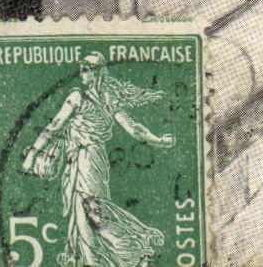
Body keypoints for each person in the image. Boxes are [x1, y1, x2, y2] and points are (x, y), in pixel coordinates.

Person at [21, 52, 174, 267]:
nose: (81, 73)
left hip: (88, 159)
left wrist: (33, 152)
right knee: (84, 214)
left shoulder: (84, 97)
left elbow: (55, 126)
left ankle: (136, 251)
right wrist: (157, 140)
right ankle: (95, 262)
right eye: (82, 68)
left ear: (97, 72)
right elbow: (55, 126)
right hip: (82, 160)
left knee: (92, 210)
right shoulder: (100, 98)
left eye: (86, 69)